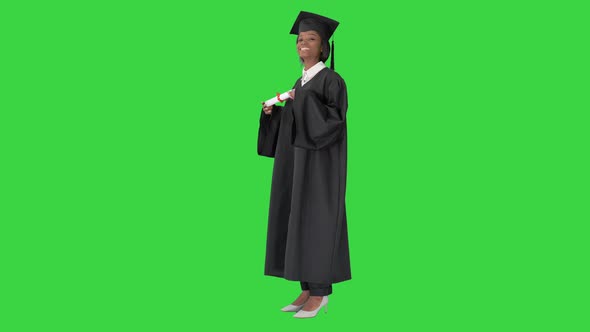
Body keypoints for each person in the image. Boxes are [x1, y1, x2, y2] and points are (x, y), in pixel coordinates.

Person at [257, 11, 351, 319]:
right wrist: (276, 114)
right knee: (295, 217)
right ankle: (307, 287)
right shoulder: (301, 81)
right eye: (300, 39)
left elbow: (333, 122)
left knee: (317, 219)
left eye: (311, 38)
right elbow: (297, 121)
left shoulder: (332, 80)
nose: (303, 43)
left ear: (323, 47)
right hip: (298, 162)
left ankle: (321, 292)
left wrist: (301, 100)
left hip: (320, 167)